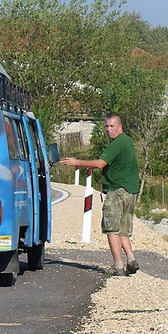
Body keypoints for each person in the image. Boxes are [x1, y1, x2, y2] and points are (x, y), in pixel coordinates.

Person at [61, 114, 140, 276]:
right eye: (107, 126)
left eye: (112, 126)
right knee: (123, 229)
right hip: (131, 192)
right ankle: (131, 259)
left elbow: (99, 163)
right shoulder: (128, 141)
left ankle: (117, 265)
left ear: (120, 127)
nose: (108, 130)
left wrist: (77, 162)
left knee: (112, 228)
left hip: (117, 191)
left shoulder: (117, 143)